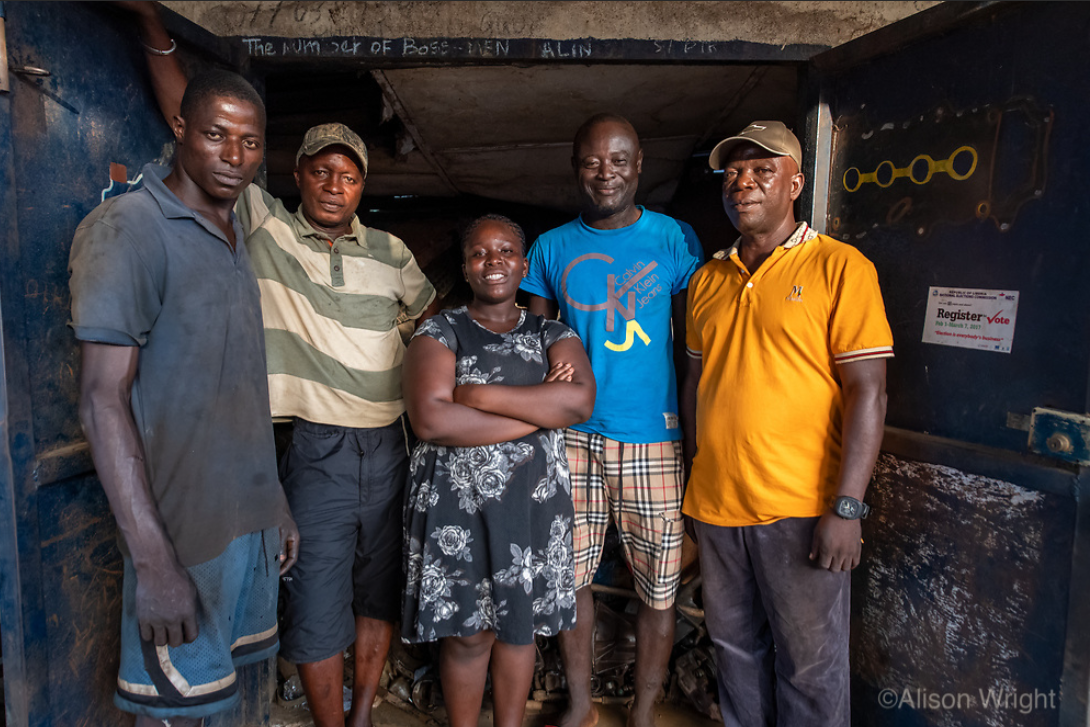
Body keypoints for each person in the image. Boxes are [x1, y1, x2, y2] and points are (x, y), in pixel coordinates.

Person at [124, 7, 440, 726]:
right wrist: (153, 29)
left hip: (389, 443)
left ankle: (363, 713)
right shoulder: (264, 224)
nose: (335, 183)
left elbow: (426, 318)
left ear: (364, 187)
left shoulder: (391, 253)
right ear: (296, 174)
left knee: (376, 588)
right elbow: (188, 113)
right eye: (321, 170)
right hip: (313, 446)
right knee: (317, 596)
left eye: (350, 174)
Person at [70, 70, 299, 726]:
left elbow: (233, 387)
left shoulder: (233, 238)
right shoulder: (129, 230)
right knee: (171, 712)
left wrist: (273, 502)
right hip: (181, 538)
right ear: (179, 129)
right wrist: (153, 563)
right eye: (215, 135)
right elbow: (99, 400)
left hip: (243, 529)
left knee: (217, 704)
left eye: (250, 142)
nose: (234, 156)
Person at [680, 120, 893, 726]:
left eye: (762, 170)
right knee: (733, 652)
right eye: (734, 173)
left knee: (809, 665)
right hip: (718, 508)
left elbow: (868, 393)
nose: (743, 183)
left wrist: (847, 507)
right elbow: (698, 385)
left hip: (801, 508)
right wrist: (698, 483)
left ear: (795, 183)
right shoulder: (708, 280)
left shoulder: (841, 267)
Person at [520, 113, 704, 727]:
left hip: (653, 437)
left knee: (660, 588)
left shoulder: (674, 239)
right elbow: (540, 347)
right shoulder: (550, 247)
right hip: (572, 438)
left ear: (640, 164)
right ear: (576, 168)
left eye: (619, 160)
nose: (607, 174)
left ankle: (645, 712)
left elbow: (690, 349)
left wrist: (694, 440)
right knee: (570, 580)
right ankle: (579, 705)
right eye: (593, 162)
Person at [401, 214, 596, 727]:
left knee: (518, 626)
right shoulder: (439, 330)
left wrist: (477, 396)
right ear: (465, 268)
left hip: (530, 507)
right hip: (456, 508)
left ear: (524, 264)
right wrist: (535, 411)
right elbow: (431, 418)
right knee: (468, 634)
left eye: (506, 251)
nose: (494, 262)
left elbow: (577, 403)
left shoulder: (552, 331)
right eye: (481, 253)